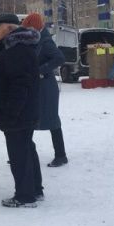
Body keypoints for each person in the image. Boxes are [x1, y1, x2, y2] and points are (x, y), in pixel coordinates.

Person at [0, 13, 43, 208]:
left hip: (18, 113)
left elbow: (20, 85)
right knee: (27, 149)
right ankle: (35, 190)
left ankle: (25, 196)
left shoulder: (16, 51)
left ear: (10, 29)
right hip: (25, 111)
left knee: (19, 154)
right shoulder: (17, 48)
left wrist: (10, 114)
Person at [21, 13, 68, 168]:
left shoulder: (46, 41)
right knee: (30, 119)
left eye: (28, 28)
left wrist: (41, 70)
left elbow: (59, 58)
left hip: (46, 87)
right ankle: (24, 151)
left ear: (35, 27)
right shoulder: (34, 39)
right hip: (37, 86)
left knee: (52, 120)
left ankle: (61, 155)